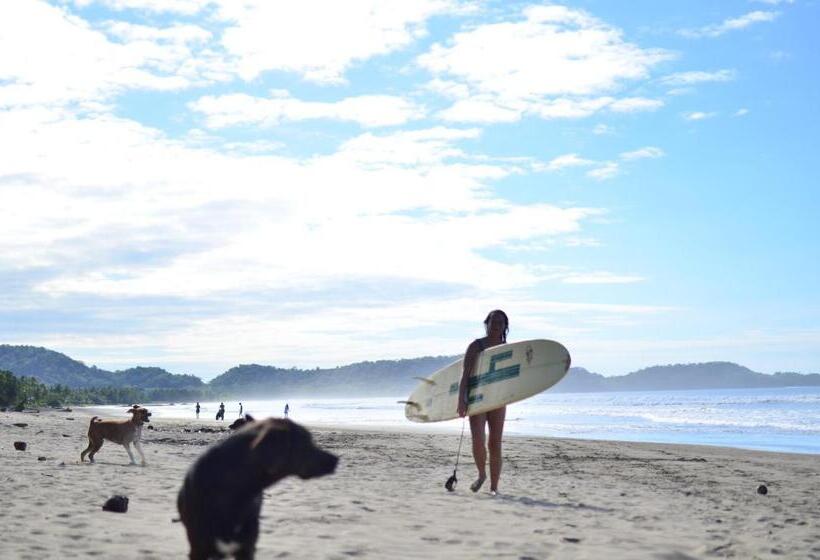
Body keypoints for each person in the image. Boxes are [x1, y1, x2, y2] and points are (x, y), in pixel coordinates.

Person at [457, 309, 509, 496]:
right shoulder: (476, 346)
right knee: (478, 439)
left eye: (500, 323)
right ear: (487, 324)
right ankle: (481, 474)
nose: (496, 326)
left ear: (505, 326)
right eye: (493, 322)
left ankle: (494, 487)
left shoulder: (509, 349)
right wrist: (461, 400)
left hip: (497, 399)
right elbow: (465, 375)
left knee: (495, 443)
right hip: (477, 398)